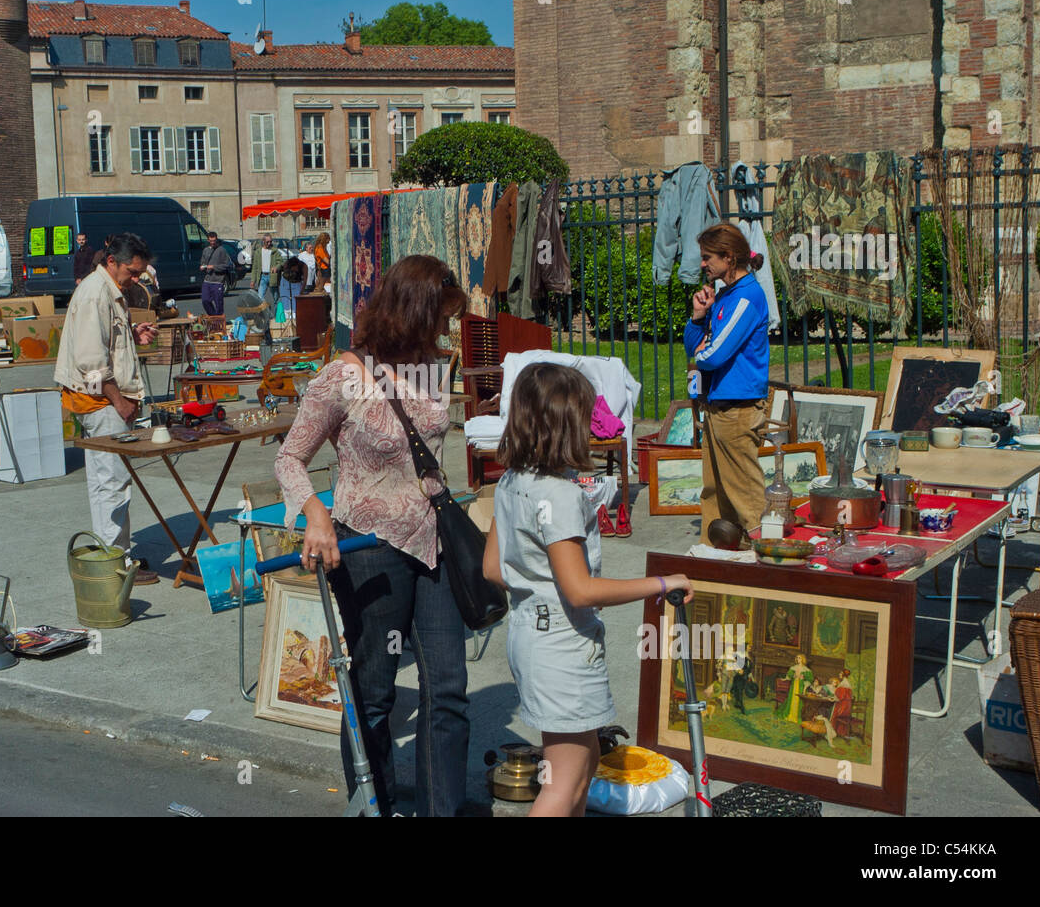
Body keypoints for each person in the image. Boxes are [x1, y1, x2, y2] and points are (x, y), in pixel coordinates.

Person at [277, 254, 469, 817]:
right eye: (439, 317)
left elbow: (431, 451)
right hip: (368, 549)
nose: (445, 330)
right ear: (413, 310)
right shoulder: (343, 374)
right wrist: (314, 514)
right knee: (375, 691)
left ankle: (442, 810)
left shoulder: (436, 366)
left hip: (434, 545)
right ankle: (376, 807)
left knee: (449, 690)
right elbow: (290, 459)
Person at [482, 362, 695, 817]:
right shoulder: (558, 495)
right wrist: (659, 582)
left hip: (529, 635)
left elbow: (493, 568)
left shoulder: (509, 481)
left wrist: (534, 582)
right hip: (561, 646)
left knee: (582, 768)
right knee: (565, 780)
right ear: (565, 424)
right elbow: (579, 590)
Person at [54, 232, 160, 586]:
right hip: (100, 401)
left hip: (104, 399)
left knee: (109, 479)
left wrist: (131, 332)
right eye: (132, 272)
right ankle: (117, 561)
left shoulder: (109, 292)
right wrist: (120, 401)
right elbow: (91, 364)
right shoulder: (95, 294)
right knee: (110, 481)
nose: (135, 279)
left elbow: (103, 340)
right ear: (111, 262)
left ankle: (115, 554)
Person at [684, 222, 770, 546]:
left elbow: (712, 356)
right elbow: (693, 346)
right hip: (717, 404)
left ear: (729, 258)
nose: (703, 264)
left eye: (708, 257)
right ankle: (716, 551)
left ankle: (767, 551)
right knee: (715, 491)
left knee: (744, 492)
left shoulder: (747, 297)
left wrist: (705, 348)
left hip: (738, 407)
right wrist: (697, 316)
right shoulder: (723, 296)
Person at [199, 231, 232, 316]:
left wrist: (214, 267)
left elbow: (227, 265)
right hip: (207, 280)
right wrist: (202, 267)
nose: (213, 243)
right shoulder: (206, 250)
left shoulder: (222, 250)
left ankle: (219, 319)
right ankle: (213, 317)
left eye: (214, 241)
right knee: (205, 300)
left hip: (218, 281)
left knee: (219, 303)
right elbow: (203, 262)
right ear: (208, 240)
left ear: (216, 240)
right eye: (211, 241)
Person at [249, 232, 284, 307]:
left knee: (276, 298)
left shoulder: (275, 251)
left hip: (272, 276)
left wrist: (276, 267)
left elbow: (281, 262)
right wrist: (253, 280)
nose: (269, 243)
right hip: (262, 277)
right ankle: (267, 310)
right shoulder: (258, 252)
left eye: (271, 241)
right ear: (263, 241)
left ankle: (277, 315)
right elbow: (255, 267)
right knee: (260, 297)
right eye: (267, 242)